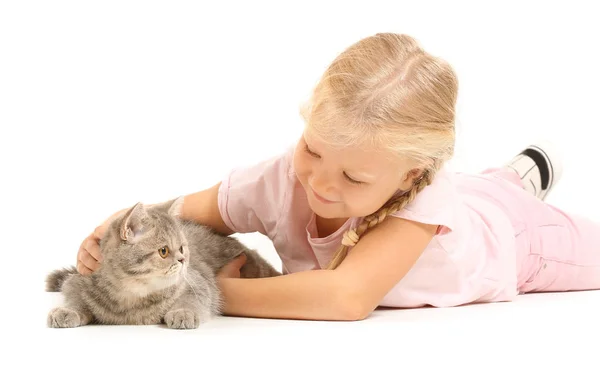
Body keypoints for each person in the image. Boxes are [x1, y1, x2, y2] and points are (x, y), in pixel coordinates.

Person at [75, 32, 600, 321]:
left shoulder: (420, 207)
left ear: (409, 176)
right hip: (470, 199)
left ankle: (514, 188)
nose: (321, 184)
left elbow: (346, 297)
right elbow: (181, 211)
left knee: (505, 212)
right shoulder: (287, 176)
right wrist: (110, 235)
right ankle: (511, 177)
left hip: (516, 241)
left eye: (353, 177)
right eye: (313, 150)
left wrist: (211, 294)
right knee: (482, 190)